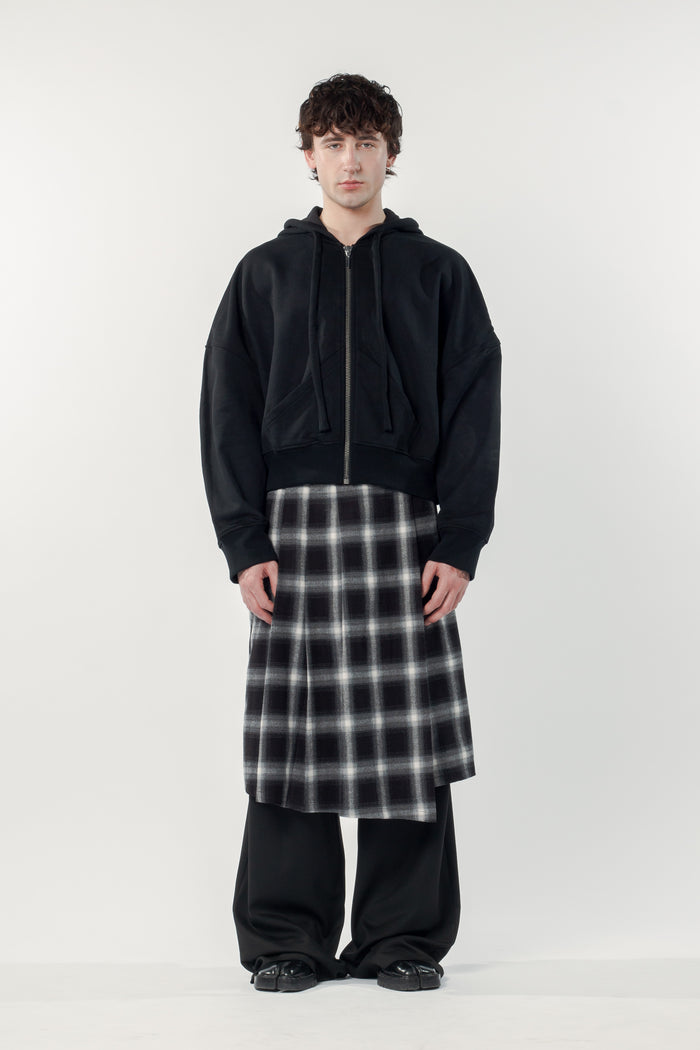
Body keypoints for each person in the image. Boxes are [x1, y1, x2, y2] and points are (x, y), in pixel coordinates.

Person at [199, 72, 502, 993]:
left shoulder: (438, 271)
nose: (351, 159)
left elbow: (475, 406)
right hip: (292, 534)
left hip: (405, 531)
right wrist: (243, 541)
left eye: (367, 141)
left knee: (404, 744)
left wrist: (461, 539)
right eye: (333, 142)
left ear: (392, 153)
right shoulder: (264, 272)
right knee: (293, 739)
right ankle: (286, 939)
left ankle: (401, 939)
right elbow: (226, 408)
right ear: (309, 155)